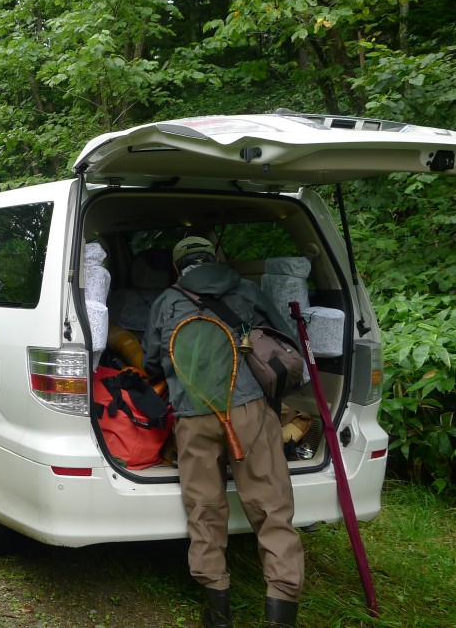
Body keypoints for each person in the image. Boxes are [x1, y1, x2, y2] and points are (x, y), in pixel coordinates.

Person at [143, 237, 303, 628]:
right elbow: (284, 342)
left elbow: (151, 361)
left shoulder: (166, 301)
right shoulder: (245, 289)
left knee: (205, 509)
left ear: (177, 267)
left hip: (192, 416)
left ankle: (217, 613)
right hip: (248, 409)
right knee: (271, 508)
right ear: (214, 259)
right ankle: (281, 611)